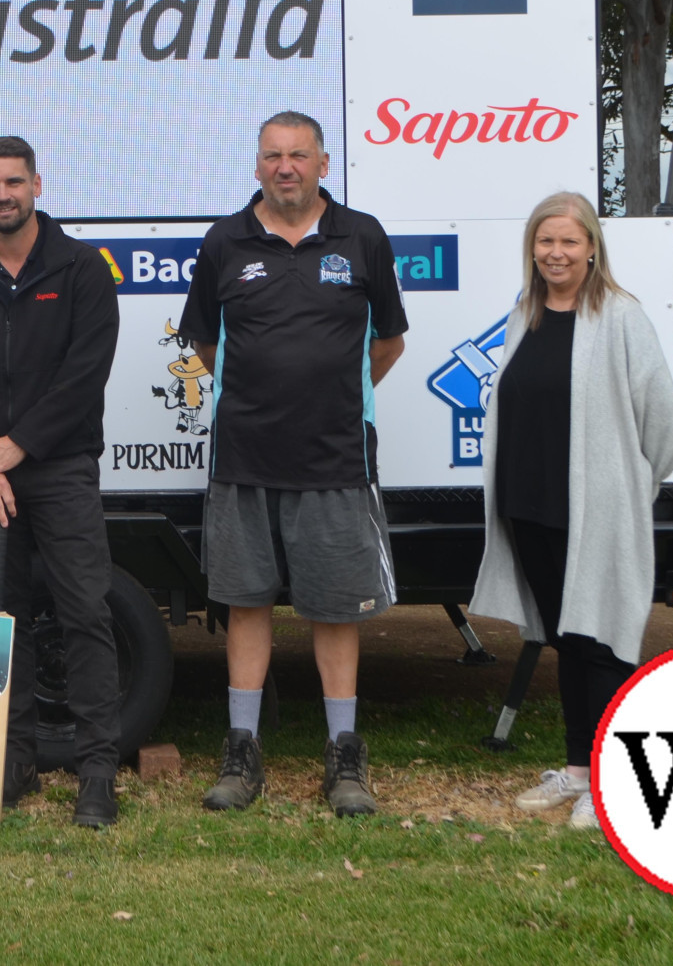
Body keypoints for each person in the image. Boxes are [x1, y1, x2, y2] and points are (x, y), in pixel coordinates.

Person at [177, 111, 408, 819]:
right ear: (256, 166)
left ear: (323, 164)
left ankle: (344, 754)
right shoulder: (224, 241)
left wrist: (330, 396)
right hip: (244, 456)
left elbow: (390, 342)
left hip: (336, 457)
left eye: (298, 155)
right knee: (246, 601)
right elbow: (207, 345)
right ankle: (242, 750)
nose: (286, 167)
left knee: (335, 609)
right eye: (273, 155)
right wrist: (261, 394)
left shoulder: (362, 236)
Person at [0, 136, 123, 828]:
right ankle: (14, 757)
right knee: (0, 622)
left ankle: (98, 769)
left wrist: (17, 446)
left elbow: (83, 376)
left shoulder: (81, 272)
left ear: (38, 182)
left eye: (14, 180)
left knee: (85, 613)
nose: (2, 193)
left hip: (61, 466)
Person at [471, 191, 673, 832]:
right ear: (532, 250)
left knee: (605, 643)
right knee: (566, 639)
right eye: (545, 242)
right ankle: (579, 770)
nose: (556, 253)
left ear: (592, 247)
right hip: (529, 507)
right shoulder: (523, 316)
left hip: (598, 511)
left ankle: (615, 779)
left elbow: (662, 425)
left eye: (568, 241)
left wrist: (630, 486)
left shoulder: (621, 317)